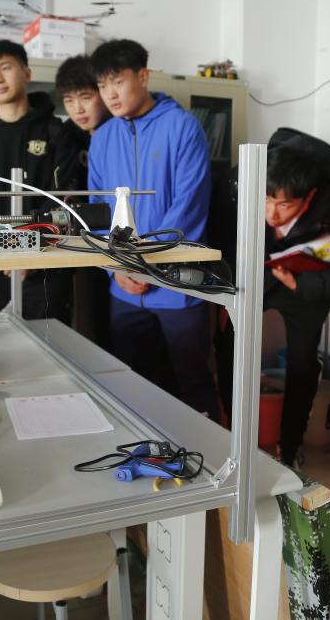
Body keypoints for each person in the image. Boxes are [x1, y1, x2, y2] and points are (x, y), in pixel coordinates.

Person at [220, 129, 330, 466]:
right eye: (266, 200)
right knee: (230, 342)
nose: (272, 214)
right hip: (257, 276)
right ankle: (232, 433)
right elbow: (227, 239)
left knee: (302, 364)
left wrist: (301, 285)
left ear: (309, 196)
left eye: (285, 204)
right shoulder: (243, 182)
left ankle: (288, 449)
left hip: (307, 284)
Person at [87, 38, 219, 419]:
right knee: (134, 385)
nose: (110, 94)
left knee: (192, 384)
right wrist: (116, 269)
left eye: (118, 82)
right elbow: (98, 213)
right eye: (103, 85)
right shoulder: (103, 138)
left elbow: (188, 208)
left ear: (143, 77)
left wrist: (142, 265)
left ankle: (209, 453)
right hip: (124, 289)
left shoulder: (183, 128)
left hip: (178, 287)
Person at [0, 39, 80, 322]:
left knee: (51, 341)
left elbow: (63, 195)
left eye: (5, 67)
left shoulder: (56, 132)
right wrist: (6, 246)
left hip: (47, 261)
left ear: (27, 73)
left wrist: (30, 246)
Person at [55, 55, 112, 346]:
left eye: (86, 97)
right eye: (69, 100)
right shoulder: (66, 134)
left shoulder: (119, 130)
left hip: (119, 237)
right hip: (80, 240)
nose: (77, 109)